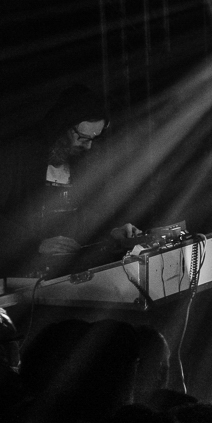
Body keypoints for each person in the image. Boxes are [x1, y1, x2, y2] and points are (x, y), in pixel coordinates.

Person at [0, 84, 140, 278]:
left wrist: (113, 233)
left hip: (68, 275)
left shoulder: (82, 164)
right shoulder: (16, 155)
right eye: (83, 138)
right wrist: (35, 245)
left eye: (93, 139)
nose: (88, 146)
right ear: (61, 127)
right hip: (21, 277)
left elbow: (87, 218)